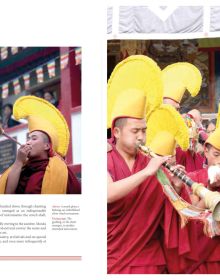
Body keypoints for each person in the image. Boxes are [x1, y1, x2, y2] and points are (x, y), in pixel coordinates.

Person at [107, 55, 187, 274]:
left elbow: (165, 211)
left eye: (144, 130)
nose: (141, 137)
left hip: (149, 256)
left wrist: (175, 187)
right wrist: (146, 173)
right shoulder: (104, 155)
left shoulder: (148, 160)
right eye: (135, 131)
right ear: (117, 132)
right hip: (112, 256)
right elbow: (107, 193)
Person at [0, 96, 80, 194]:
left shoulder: (60, 169)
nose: (28, 142)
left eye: (34, 138)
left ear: (46, 146)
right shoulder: (24, 168)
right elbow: (8, 196)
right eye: (28, 138)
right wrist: (18, 162)